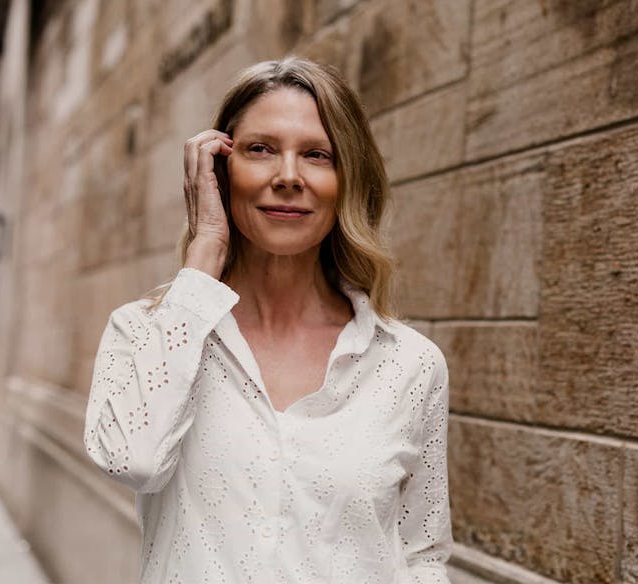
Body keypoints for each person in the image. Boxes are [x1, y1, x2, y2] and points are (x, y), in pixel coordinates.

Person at [83, 55, 453, 583]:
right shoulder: (148, 333)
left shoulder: (409, 365)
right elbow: (133, 461)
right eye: (260, 149)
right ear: (218, 168)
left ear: (349, 179)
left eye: (318, 155)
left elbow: (422, 554)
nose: (287, 177)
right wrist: (205, 249)